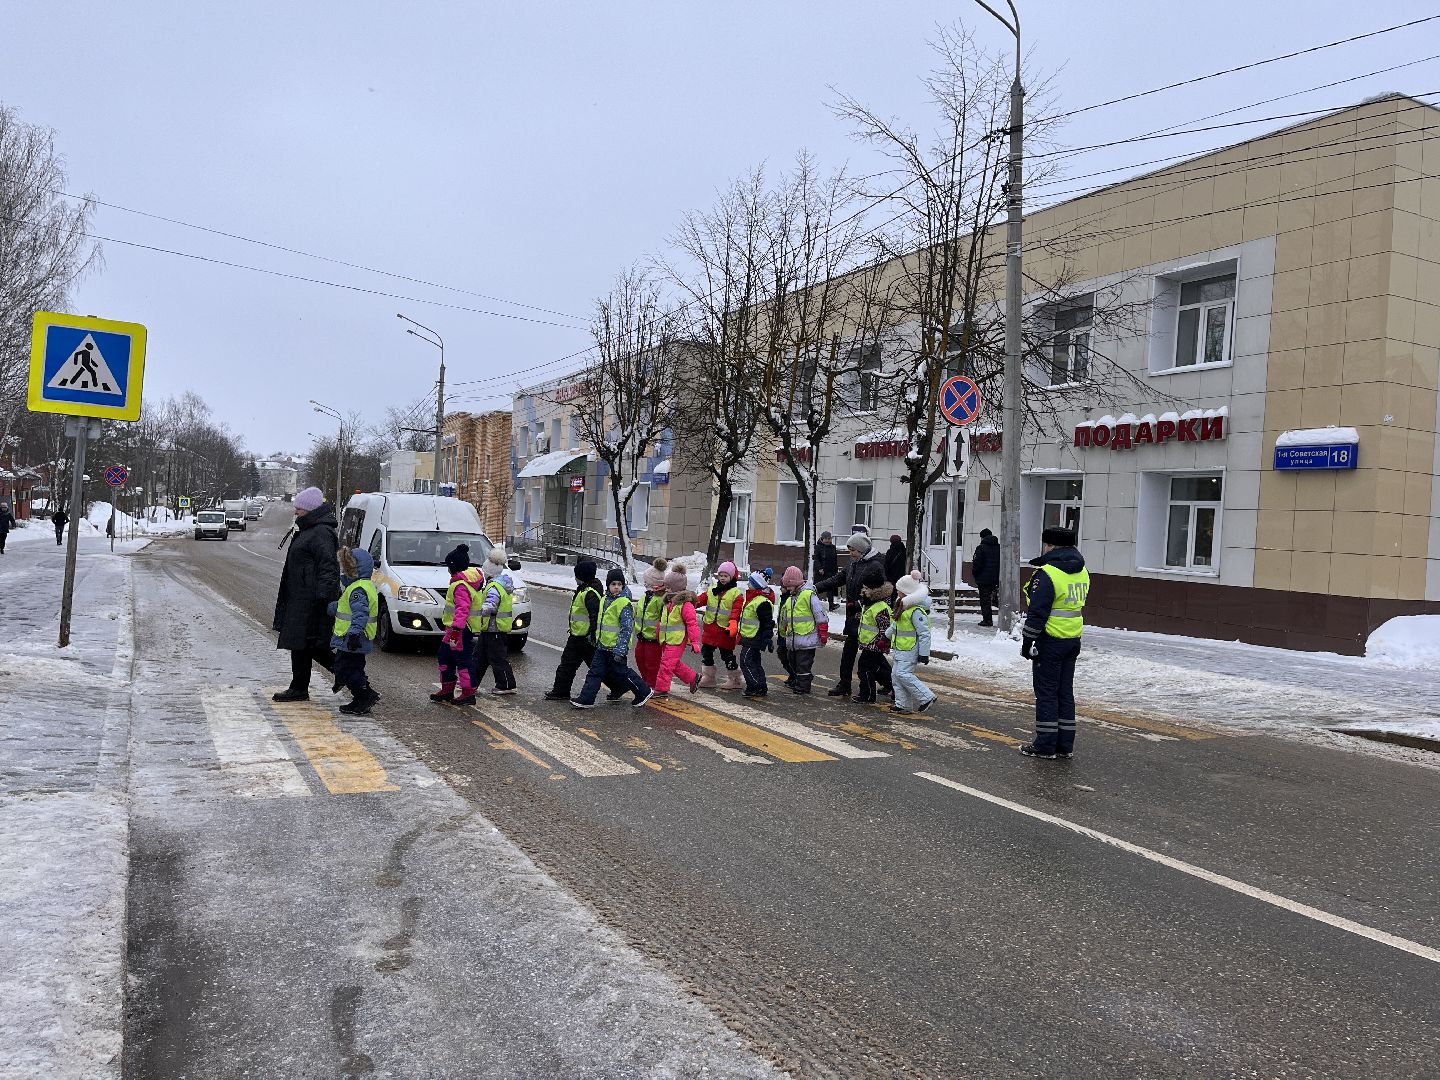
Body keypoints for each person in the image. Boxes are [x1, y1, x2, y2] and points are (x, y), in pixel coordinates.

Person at [1020, 527, 1089, 760]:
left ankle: (1045, 745)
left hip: (1050, 640)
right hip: (1072, 639)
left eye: (1045, 545)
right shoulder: (1082, 571)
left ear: (1050, 546)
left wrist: (1027, 640)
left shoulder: (1047, 573)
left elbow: (1037, 612)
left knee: (1047, 694)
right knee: (1064, 693)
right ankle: (1064, 745)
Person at [271, 487, 341, 702]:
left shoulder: (320, 533)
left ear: (310, 509)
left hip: (312, 602)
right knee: (300, 645)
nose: (295, 512)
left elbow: (329, 568)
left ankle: (358, 684)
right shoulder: (309, 529)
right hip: (301, 599)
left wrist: (323, 600)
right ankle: (299, 687)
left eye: (299, 508)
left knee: (316, 648)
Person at [815, 532, 891, 698]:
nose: (851, 554)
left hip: (867, 617)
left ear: (862, 550)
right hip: (854, 617)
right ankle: (844, 684)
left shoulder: (875, 565)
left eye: (853, 550)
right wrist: (816, 588)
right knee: (849, 651)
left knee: (872, 657)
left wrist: (858, 603)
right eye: (849, 550)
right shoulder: (854, 563)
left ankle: (891, 684)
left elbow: (880, 592)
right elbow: (838, 579)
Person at [571, 569, 653, 709]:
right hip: (602, 646)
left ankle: (643, 691)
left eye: (619, 584)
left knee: (622, 672)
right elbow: (601, 622)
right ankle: (586, 698)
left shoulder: (624, 603)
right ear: (608, 585)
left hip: (616, 648)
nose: (616, 587)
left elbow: (626, 629)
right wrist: (595, 637)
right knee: (594, 672)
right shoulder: (604, 600)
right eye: (613, 584)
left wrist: (620, 650)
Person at [544, 559, 604, 701]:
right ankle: (561, 691)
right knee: (567, 664)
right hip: (577, 636)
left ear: (582, 576)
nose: (575, 578)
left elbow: (595, 617)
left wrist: (593, 635)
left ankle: (620, 686)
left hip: (586, 638)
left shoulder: (590, 593)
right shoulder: (584, 590)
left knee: (597, 667)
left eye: (577, 575)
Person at [328, 546, 379, 715]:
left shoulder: (358, 589)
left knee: (346, 669)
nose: (343, 570)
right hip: (355, 638)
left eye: (346, 567)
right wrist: (333, 607)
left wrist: (354, 633)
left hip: (353, 639)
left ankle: (365, 696)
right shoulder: (362, 586)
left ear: (354, 568)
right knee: (354, 668)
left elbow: (360, 613)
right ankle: (362, 697)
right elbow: (348, 607)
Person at [431, 544, 484, 705]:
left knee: (463, 659)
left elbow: (462, 609)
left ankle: (468, 692)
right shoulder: (460, 582)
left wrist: (456, 629)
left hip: (460, 630)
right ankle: (447, 688)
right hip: (453, 629)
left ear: (453, 567)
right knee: (444, 656)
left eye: (448, 566)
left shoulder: (460, 585)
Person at [888, 574, 936, 715]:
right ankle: (903, 705)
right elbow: (895, 626)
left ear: (907, 592)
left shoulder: (915, 611)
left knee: (903, 674)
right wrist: (885, 637)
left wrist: (924, 653)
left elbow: (924, 633)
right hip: (900, 648)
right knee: (896, 676)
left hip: (910, 649)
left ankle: (927, 697)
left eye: (899, 590)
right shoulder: (902, 607)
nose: (897, 593)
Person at [776, 565, 827, 694]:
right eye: (786, 586)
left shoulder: (808, 595)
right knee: (792, 662)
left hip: (807, 638)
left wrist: (822, 632)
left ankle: (803, 687)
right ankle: (803, 680)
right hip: (793, 640)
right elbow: (784, 618)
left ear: (797, 583)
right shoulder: (790, 599)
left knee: (803, 664)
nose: (788, 589)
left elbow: (820, 614)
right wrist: (782, 632)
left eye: (790, 586)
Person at [474, 546, 518, 695]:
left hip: (495, 629)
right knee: (480, 657)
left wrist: (475, 612)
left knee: (497, 659)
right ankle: (471, 681)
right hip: (490, 629)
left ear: (488, 572)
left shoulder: (493, 587)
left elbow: (491, 605)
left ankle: (506, 684)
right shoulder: (498, 584)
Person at [695, 561, 743, 691]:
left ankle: (735, 679)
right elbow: (699, 600)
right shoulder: (712, 590)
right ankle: (709, 677)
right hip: (710, 629)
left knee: (727, 655)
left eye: (725, 575)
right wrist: (689, 602)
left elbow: (736, 610)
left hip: (725, 630)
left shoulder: (736, 593)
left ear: (732, 577)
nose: (722, 578)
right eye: (720, 575)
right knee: (706, 652)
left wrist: (733, 623)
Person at [654, 567, 702, 695]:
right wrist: (658, 634)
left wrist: (695, 642)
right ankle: (693, 677)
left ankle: (661, 689)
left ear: (677, 587)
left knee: (666, 664)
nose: (666, 589)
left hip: (677, 639)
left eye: (669, 586)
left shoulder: (685, 605)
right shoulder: (668, 603)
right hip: (667, 639)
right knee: (672, 664)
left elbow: (692, 624)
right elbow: (663, 622)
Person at [854, 569, 894, 704]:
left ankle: (867, 695)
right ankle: (893, 687)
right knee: (879, 668)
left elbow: (885, 627)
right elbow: (867, 620)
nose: (863, 590)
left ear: (875, 590)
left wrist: (884, 641)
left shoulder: (880, 607)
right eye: (863, 587)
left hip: (875, 644)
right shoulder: (869, 603)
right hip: (869, 643)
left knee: (864, 669)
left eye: (866, 588)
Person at [737, 570, 774, 699]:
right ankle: (761, 686)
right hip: (749, 637)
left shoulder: (761, 602)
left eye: (750, 582)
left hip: (754, 637)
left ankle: (755, 686)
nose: (748, 584)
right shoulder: (752, 599)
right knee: (754, 662)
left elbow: (767, 623)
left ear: (756, 585)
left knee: (746, 661)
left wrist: (767, 639)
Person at [635, 557, 669, 688]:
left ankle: (652, 684)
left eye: (646, 582)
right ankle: (646, 681)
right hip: (642, 635)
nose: (644, 584)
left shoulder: (661, 599)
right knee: (639, 658)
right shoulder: (645, 595)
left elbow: (663, 619)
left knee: (652, 663)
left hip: (654, 639)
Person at [972, 528, 1001, 627]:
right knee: (996, 598)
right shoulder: (999, 548)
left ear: (982, 537)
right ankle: (1002, 618)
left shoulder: (981, 548)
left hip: (984, 580)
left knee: (985, 600)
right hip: (996, 579)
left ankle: (987, 620)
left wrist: (975, 573)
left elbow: (977, 563)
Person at [814, 531, 838, 610]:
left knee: (830, 587)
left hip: (831, 570)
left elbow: (835, 559)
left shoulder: (833, 547)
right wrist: (819, 568)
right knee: (817, 587)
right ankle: (813, 603)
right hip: (821, 572)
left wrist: (836, 570)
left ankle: (831, 605)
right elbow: (816, 559)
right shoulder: (818, 547)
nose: (828, 540)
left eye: (829, 538)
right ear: (822, 538)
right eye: (826, 539)